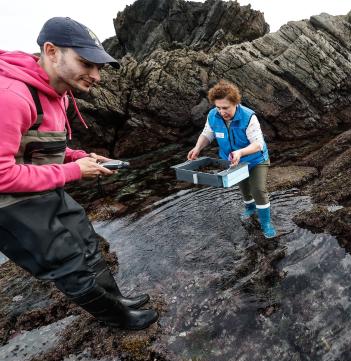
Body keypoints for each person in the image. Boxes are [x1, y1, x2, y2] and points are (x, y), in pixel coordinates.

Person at [0, 17, 158, 329]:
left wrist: (79, 156)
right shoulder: (11, 96)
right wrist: (73, 171)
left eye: (99, 66)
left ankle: (116, 299)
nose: (96, 76)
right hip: (10, 205)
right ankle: (118, 319)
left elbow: (37, 147)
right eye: (86, 63)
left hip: (41, 188)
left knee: (84, 238)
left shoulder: (57, 92)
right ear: (51, 51)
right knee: (66, 262)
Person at [187, 80, 277, 238]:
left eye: (225, 108)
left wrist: (241, 153)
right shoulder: (213, 115)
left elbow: (258, 144)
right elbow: (208, 134)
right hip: (233, 160)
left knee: (258, 190)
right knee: (244, 189)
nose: (222, 112)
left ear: (235, 103)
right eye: (218, 107)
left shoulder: (249, 117)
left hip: (256, 160)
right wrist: (197, 147)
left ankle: (266, 223)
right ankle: (250, 209)